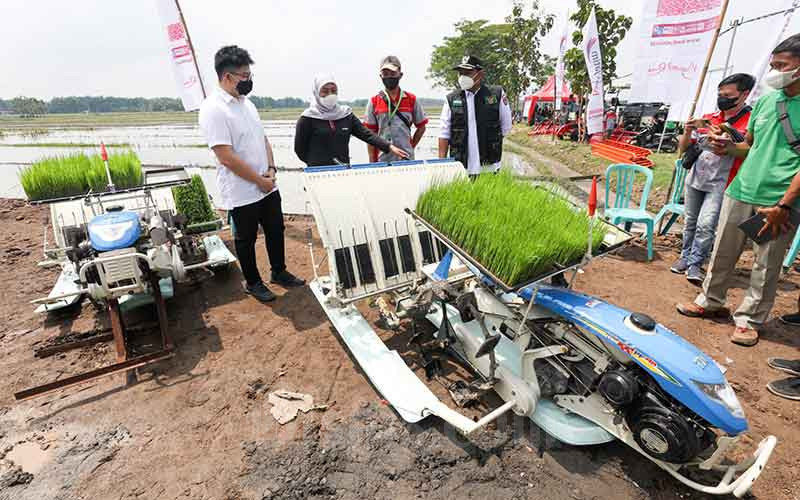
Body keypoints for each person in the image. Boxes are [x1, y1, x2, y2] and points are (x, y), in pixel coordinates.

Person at [676, 35, 800, 347]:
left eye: (782, 66)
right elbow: (750, 145)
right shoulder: (768, 101)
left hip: (777, 199)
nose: (775, 72)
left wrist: (784, 205)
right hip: (741, 188)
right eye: (773, 65)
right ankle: (710, 300)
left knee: (765, 262)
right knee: (722, 251)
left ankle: (749, 320)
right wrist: (729, 147)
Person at [199, 45, 305, 303]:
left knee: (275, 229)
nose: (249, 80)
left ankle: (278, 271)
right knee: (245, 239)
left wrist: (270, 170)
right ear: (227, 77)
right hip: (242, 191)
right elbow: (226, 156)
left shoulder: (248, 104)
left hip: (267, 183)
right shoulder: (213, 109)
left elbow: (263, 138)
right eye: (244, 75)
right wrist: (259, 181)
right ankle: (253, 282)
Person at [672, 73, 755, 284]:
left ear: (744, 94)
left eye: (728, 94)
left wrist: (727, 137)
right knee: (690, 221)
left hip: (722, 181)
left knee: (706, 224)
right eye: (720, 94)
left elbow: (749, 149)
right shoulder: (709, 117)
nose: (722, 98)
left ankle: (696, 263)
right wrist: (688, 130)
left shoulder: (750, 121)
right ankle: (685, 257)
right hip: (696, 178)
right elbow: (684, 149)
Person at [294, 75, 408, 167]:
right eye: (325, 91)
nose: (330, 94)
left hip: (343, 169)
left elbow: (366, 134)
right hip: (317, 173)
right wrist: (315, 162)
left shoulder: (345, 114)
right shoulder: (307, 118)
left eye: (333, 90)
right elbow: (300, 150)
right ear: (316, 93)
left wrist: (389, 147)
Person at [438, 55, 513, 176]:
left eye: (467, 72)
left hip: (489, 166)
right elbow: (444, 134)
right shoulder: (451, 99)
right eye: (460, 73)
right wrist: (441, 165)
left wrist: (491, 139)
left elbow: (506, 126)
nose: (463, 77)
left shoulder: (496, 94)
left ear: (480, 74)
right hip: (461, 166)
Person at [364, 56, 428, 163]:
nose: (389, 77)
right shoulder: (374, 101)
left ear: (400, 75)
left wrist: (411, 146)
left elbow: (421, 127)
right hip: (382, 160)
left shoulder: (411, 99)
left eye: (393, 74)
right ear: (381, 76)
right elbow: (370, 134)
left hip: (406, 158)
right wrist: (372, 161)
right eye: (386, 74)